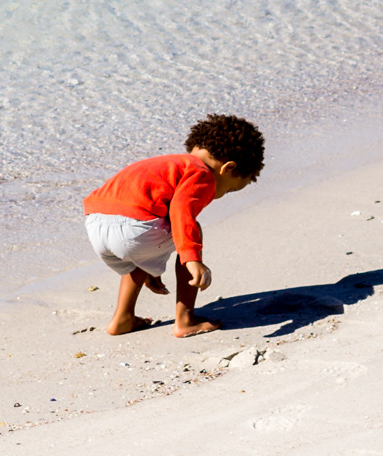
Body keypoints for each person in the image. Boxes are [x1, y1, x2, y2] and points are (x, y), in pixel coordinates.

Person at [82, 113, 265, 338]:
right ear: (228, 168)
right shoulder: (202, 174)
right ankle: (185, 320)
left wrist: (149, 260)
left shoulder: (166, 163)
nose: (222, 194)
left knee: (147, 241)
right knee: (192, 229)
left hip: (95, 223)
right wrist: (192, 258)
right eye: (229, 189)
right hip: (136, 229)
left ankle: (122, 318)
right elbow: (182, 211)